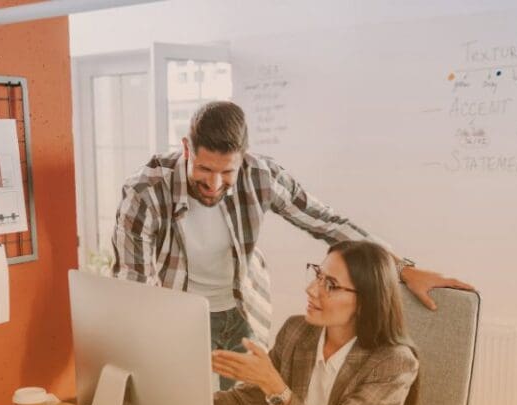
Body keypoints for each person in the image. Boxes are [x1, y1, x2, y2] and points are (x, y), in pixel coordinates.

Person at [111, 101, 471, 390]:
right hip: (179, 315)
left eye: (227, 172)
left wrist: (403, 268)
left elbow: (329, 223)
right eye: (205, 170)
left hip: (240, 313)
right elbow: (139, 290)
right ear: (187, 148)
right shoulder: (145, 193)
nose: (215, 184)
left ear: (243, 158)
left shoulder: (260, 175)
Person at [212, 240, 419, 405]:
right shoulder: (297, 330)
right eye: (318, 275)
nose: (310, 290)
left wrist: (275, 387)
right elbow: (247, 400)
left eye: (330, 284)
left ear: (365, 301)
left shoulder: (394, 363)